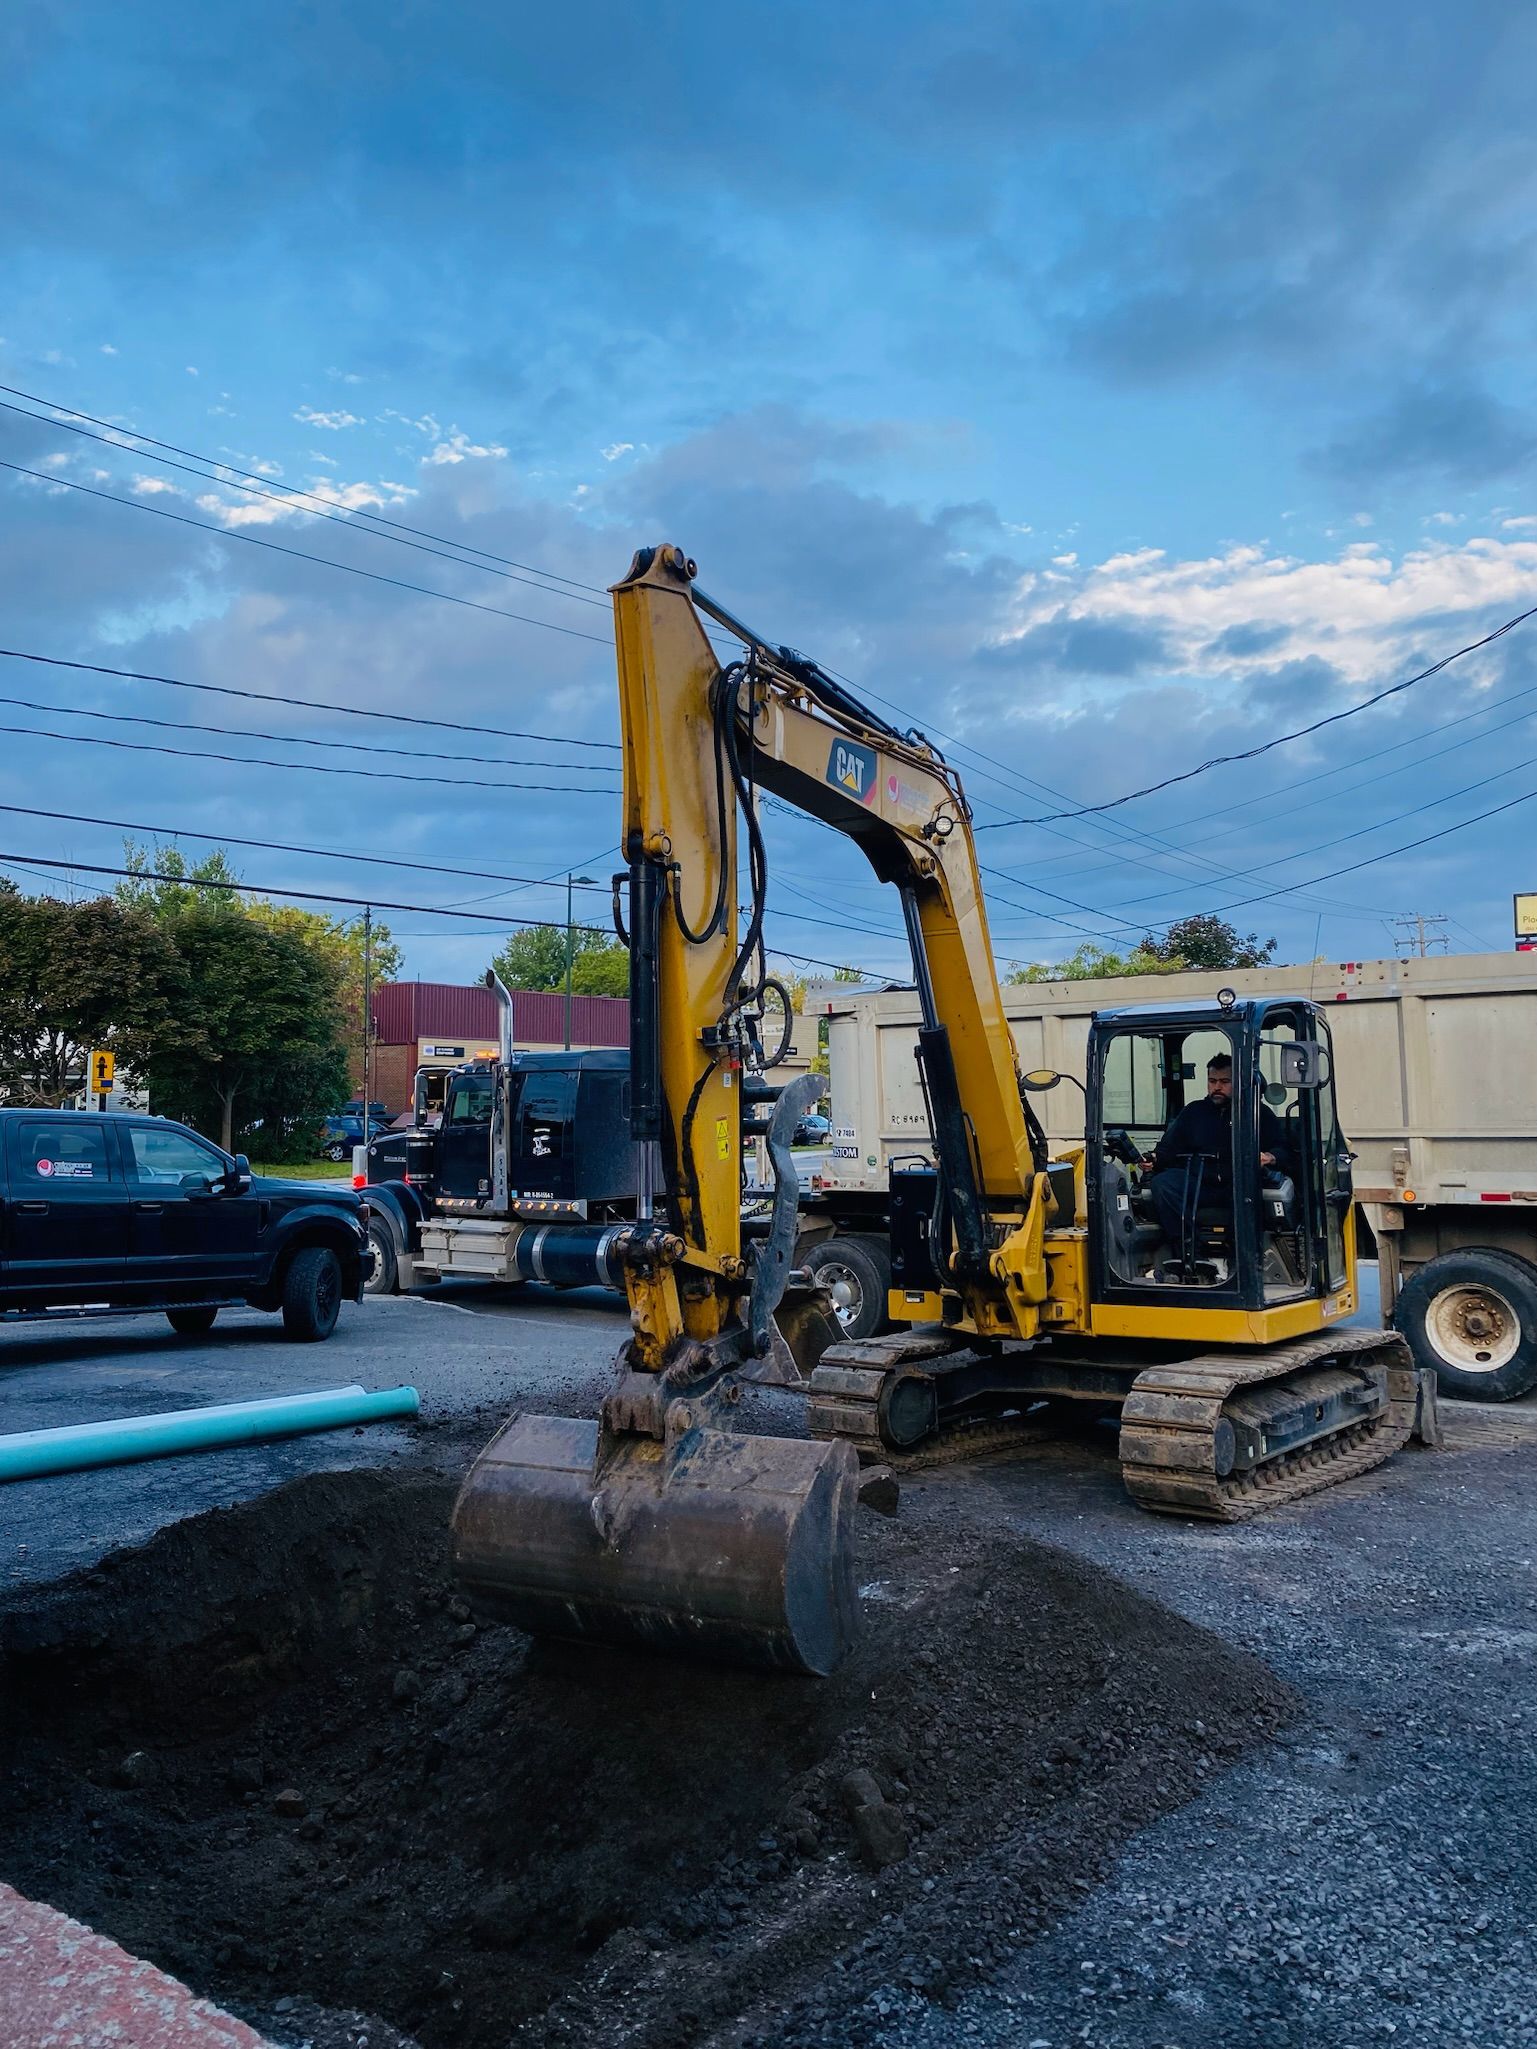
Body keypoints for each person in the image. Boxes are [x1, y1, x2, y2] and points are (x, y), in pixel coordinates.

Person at [1142, 1052, 1291, 1255]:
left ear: (1237, 1082)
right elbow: (1168, 1148)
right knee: (1163, 1183)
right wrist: (1154, 1159)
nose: (1217, 1087)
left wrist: (1269, 1157)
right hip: (1199, 1183)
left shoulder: (1257, 1114)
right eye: (1212, 1081)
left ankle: (1239, 1256)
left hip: (1236, 1185)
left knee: (1248, 1184)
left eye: (1224, 1081)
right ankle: (1190, 1250)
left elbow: (1284, 1150)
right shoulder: (1193, 1112)